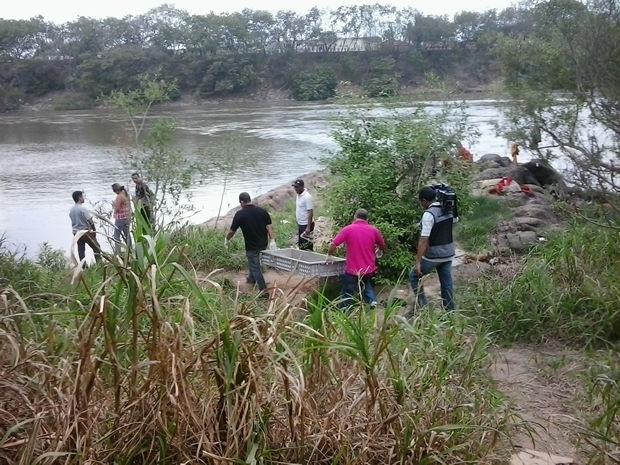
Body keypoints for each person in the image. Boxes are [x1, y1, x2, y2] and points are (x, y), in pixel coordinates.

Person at [409, 186, 458, 313]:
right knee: (446, 283)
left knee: (413, 275)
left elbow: (424, 239)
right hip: (448, 253)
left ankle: (424, 308)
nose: (420, 204)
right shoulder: (448, 209)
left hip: (434, 255)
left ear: (424, 200)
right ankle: (449, 312)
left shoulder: (428, 214)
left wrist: (418, 262)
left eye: (420, 201)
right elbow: (454, 221)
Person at [327, 208, 385, 310]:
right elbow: (382, 244)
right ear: (367, 219)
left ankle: (344, 312)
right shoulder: (373, 230)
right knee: (366, 285)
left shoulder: (348, 229)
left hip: (353, 269)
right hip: (368, 268)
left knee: (347, 292)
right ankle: (372, 302)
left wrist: (329, 255)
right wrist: (379, 250)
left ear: (355, 217)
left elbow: (333, 244)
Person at [225, 192, 276, 296]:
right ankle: (251, 279)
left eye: (240, 203)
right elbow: (269, 227)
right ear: (250, 200)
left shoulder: (240, 214)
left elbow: (232, 231)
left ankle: (263, 291)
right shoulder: (262, 211)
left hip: (251, 245)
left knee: (255, 266)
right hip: (263, 243)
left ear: (242, 202)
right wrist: (272, 240)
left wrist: (226, 240)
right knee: (252, 262)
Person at [69, 190, 102, 265]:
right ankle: (99, 264)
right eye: (82, 196)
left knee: (81, 249)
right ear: (79, 198)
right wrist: (94, 230)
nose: (84, 198)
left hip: (76, 233)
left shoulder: (71, 210)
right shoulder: (82, 209)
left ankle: (83, 266)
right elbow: (90, 221)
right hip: (85, 232)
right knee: (96, 247)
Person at [292, 178, 314, 251]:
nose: (295, 189)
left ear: (302, 186)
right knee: (301, 245)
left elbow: (310, 212)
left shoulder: (307, 197)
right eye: (295, 187)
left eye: (297, 187)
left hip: (306, 224)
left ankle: (310, 260)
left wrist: (308, 227)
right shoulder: (299, 195)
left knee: (307, 245)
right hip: (301, 223)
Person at [111, 183, 132, 253]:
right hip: (127, 217)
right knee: (127, 234)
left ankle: (118, 252)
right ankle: (130, 250)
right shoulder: (126, 194)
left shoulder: (119, 196)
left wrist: (113, 204)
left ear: (116, 190)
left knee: (116, 236)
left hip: (120, 218)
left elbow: (117, 208)